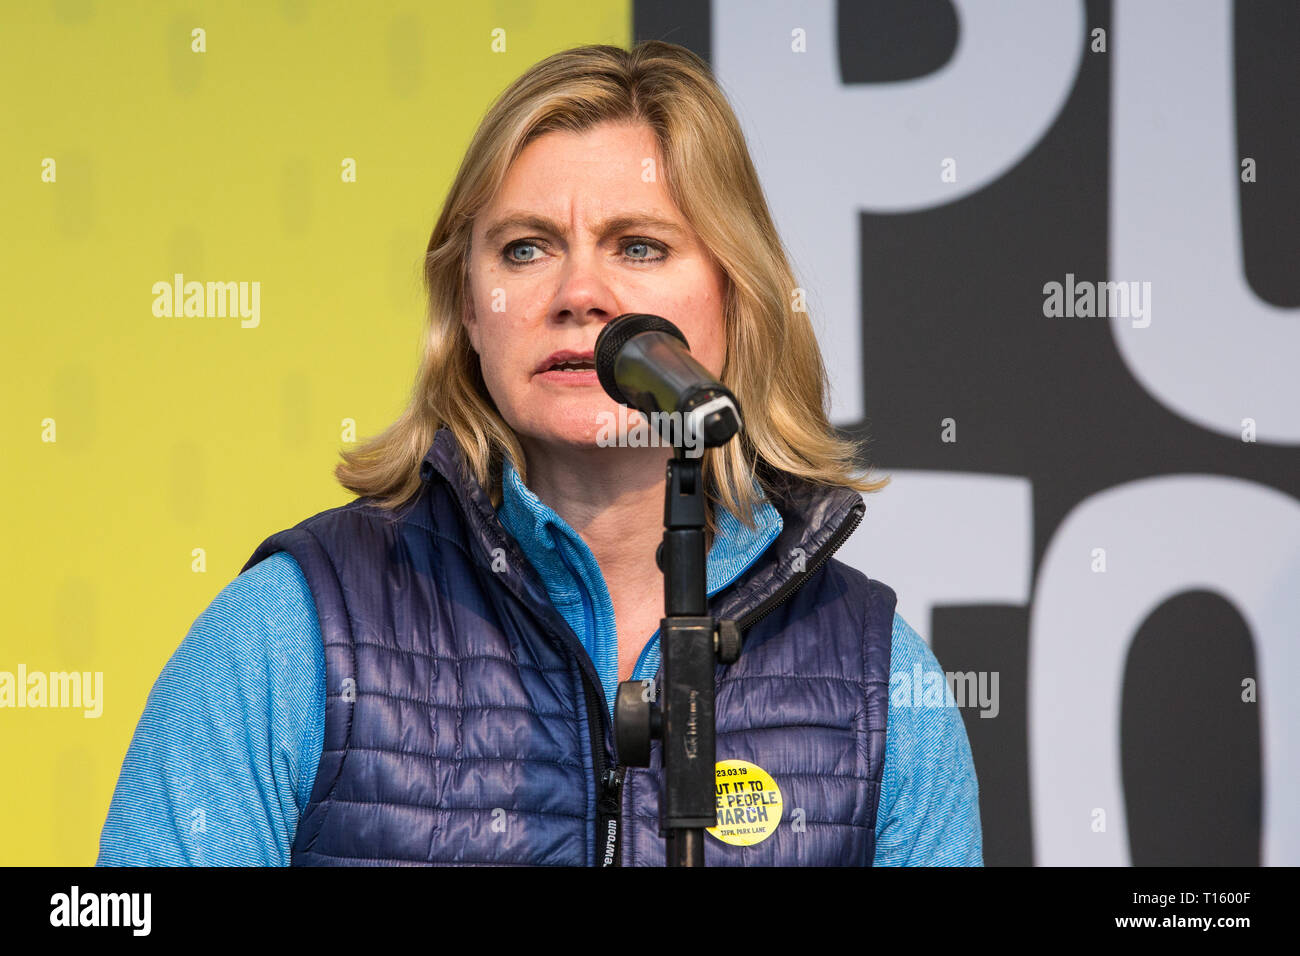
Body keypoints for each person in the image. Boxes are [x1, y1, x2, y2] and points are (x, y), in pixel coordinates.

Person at [96, 41, 981, 866]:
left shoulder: (880, 685)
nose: (579, 293)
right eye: (525, 249)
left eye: (639, 246)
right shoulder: (290, 630)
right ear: (468, 312)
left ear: (735, 297)